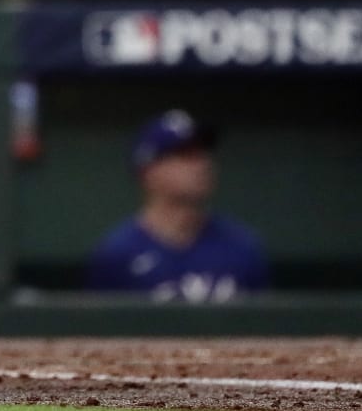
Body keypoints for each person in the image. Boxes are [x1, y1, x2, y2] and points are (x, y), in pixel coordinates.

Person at [88, 110, 271, 302]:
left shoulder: (242, 248)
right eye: (185, 155)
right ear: (148, 171)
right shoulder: (117, 255)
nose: (202, 164)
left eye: (203, 153)